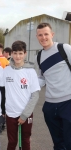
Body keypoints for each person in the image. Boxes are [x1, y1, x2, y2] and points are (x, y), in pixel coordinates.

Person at [36, 22, 71, 150]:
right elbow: (41, 79)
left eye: (46, 34)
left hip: (68, 103)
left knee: (69, 142)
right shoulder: (39, 56)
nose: (43, 37)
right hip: (50, 106)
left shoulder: (64, 48)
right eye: (40, 35)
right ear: (37, 37)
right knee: (58, 143)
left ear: (52, 34)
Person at [4, 41, 40, 150]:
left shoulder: (31, 71)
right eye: (15, 53)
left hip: (26, 114)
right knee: (12, 141)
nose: (17, 56)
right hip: (11, 113)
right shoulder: (6, 71)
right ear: (11, 54)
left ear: (25, 54)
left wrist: (25, 115)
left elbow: (35, 95)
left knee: (25, 140)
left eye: (20, 53)